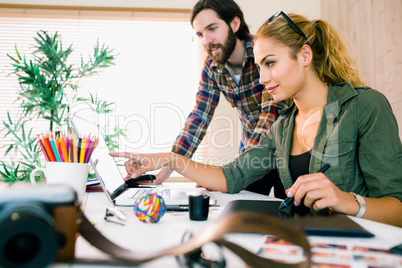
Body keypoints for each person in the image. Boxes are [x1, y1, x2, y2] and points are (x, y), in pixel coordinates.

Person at [111, 12, 402, 227]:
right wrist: (167, 158)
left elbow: (397, 209)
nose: (262, 78)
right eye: (260, 66)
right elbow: (231, 176)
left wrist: (347, 201)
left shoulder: (364, 106)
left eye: (271, 63)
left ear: (304, 55)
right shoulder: (282, 127)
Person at [153, 0, 291, 197]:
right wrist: (167, 169)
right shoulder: (211, 68)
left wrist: (227, 176)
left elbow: (269, 118)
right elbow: (199, 116)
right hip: (250, 154)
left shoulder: (263, 54)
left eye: (212, 29)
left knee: (287, 219)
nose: (206, 40)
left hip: (284, 153)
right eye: (200, 34)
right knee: (242, 213)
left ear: (234, 24)